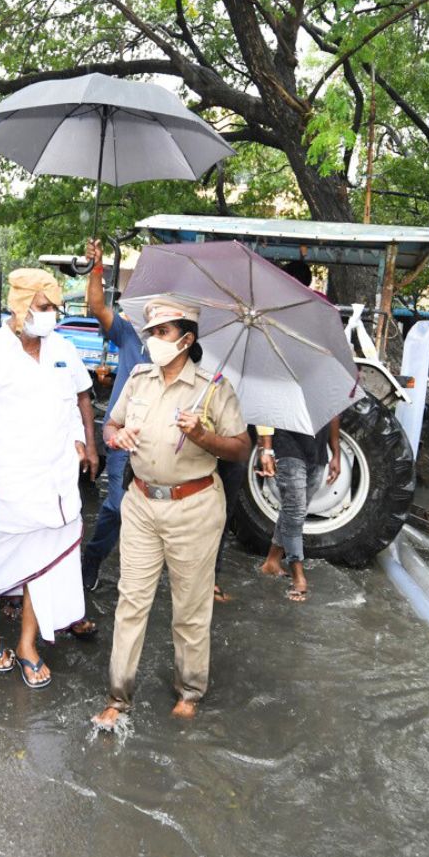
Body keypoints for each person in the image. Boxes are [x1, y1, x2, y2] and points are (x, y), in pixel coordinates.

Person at [93, 298, 249, 731]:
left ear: (186, 339)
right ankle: (118, 696)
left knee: (191, 607)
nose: (153, 340)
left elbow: (241, 448)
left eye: (162, 332)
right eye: (151, 332)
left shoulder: (214, 387)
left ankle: (189, 690)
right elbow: (110, 425)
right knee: (131, 601)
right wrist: (116, 436)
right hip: (141, 503)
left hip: (194, 508)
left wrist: (203, 436)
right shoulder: (139, 379)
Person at [0, 268, 93, 688]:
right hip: (4, 483)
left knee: (43, 565)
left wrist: (78, 439)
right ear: (18, 306)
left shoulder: (63, 349)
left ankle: (28, 644)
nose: (50, 314)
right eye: (42, 306)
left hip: (55, 483)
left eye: (54, 308)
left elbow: (74, 402)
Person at [80, 238, 149, 595]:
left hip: (162, 444)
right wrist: (96, 267)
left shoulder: (187, 347)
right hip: (123, 436)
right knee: (118, 506)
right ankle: (93, 558)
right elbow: (96, 306)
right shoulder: (129, 333)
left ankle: (139, 575)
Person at [257, 418, 342, 601]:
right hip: (287, 445)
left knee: (294, 510)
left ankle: (272, 561)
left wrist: (336, 453)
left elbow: (334, 413)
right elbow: (268, 410)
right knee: (295, 512)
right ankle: (298, 575)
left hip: (317, 450)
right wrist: (267, 449)